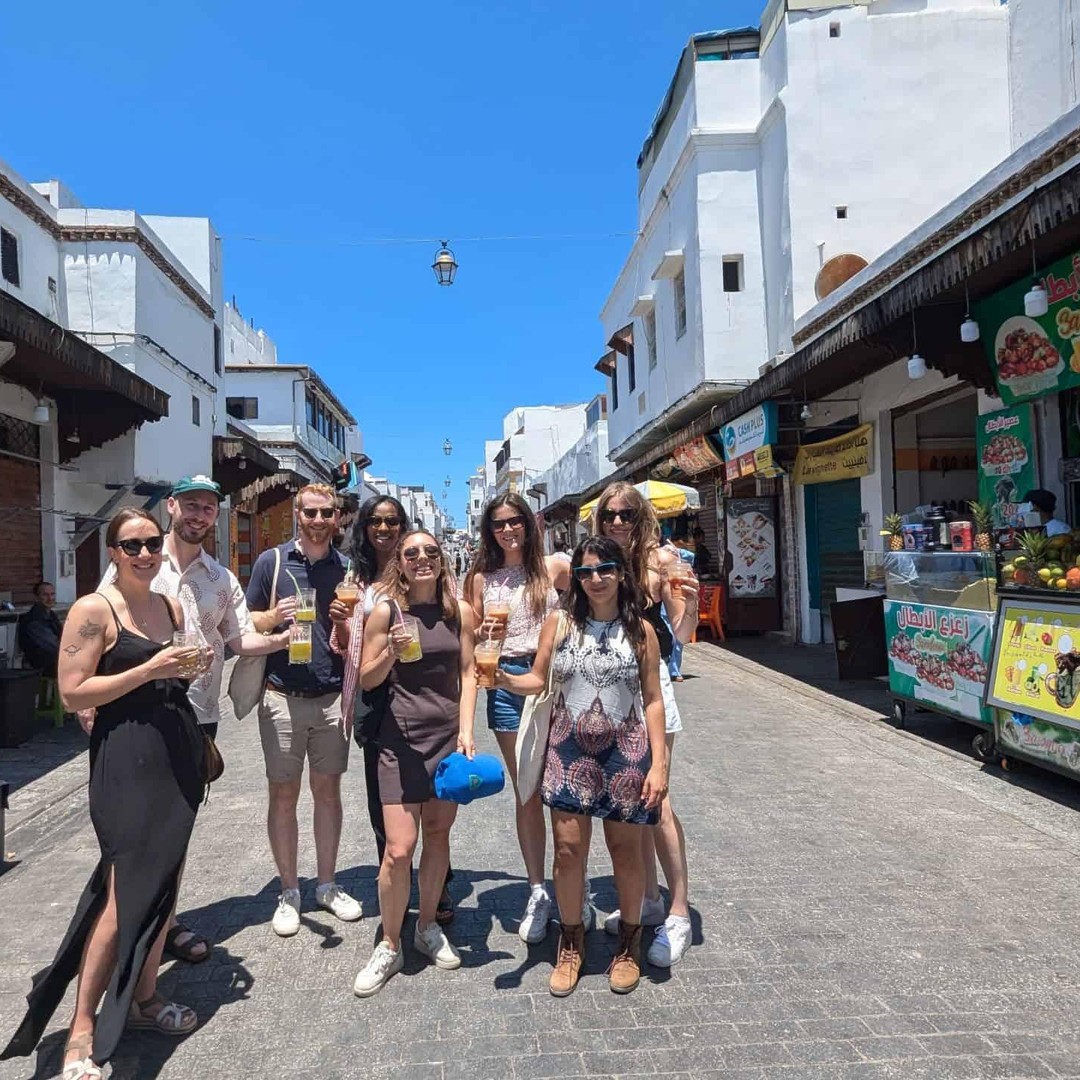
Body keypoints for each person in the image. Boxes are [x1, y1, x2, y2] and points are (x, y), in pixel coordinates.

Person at [1, 509, 208, 1077]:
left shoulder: (167, 605)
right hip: (126, 763)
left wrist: (187, 667)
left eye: (149, 543)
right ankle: (81, 1029)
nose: (143, 553)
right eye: (130, 544)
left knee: (164, 886)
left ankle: (144, 999)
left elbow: (170, 672)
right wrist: (149, 671)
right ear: (113, 552)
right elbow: (72, 693)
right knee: (119, 899)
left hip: (176, 757)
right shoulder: (96, 609)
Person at [97, 475, 291, 964]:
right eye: (191, 505)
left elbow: (240, 639)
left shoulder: (220, 579)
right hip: (133, 714)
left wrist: (285, 641)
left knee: (175, 829)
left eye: (208, 507)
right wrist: (88, 701)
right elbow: (99, 626)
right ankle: (119, 927)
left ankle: (167, 923)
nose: (199, 515)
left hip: (198, 716)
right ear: (171, 507)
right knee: (128, 830)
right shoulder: (137, 559)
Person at [497, 537, 667, 996]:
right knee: (568, 849)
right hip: (567, 746)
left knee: (625, 851)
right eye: (587, 570)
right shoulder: (560, 623)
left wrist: (660, 763)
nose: (596, 579)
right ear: (576, 576)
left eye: (606, 568)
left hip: (627, 751)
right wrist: (503, 677)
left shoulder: (641, 631)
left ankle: (629, 943)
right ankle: (570, 940)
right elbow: (539, 678)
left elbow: (653, 699)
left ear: (622, 574)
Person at [352, 530, 477, 997]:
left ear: (441, 559)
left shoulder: (458, 611)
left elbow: (467, 672)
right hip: (399, 741)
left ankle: (426, 926)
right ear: (399, 564)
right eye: (412, 553)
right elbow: (366, 678)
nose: (422, 559)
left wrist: (466, 730)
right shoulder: (386, 610)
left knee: (439, 836)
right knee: (398, 849)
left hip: (446, 738)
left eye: (430, 552)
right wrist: (389, 649)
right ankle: (389, 941)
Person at [334, 495, 457, 926]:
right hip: (380, 698)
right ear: (365, 527)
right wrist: (339, 622)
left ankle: (437, 892)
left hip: (430, 704)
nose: (383, 528)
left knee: (438, 817)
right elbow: (350, 641)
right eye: (375, 521)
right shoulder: (354, 574)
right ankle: (395, 881)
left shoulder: (438, 586)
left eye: (392, 522)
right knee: (387, 802)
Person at [246, 483, 361, 937]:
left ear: (338, 518)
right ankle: (289, 891)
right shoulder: (271, 563)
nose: (318, 520)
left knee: (328, 793)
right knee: (283, 795)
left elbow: (359, 635)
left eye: (326, 513)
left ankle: (327, 885)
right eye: (310, 512)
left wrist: (344, 624)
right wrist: (273, 618)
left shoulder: (349, 569)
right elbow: (245, 621)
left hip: (333, 698)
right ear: (297, 514)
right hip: (281, 698)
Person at [593, 481, 698, 968]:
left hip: (652, 692)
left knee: (658, 800)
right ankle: (650, 900)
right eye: (610, 514)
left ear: (642, 517)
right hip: (608, 696)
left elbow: (682, 632)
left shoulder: (662, 561)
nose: (617, 522)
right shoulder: (594, 560)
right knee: (629, 799)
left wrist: (690, 602)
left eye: (627, 514)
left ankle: (678, 914)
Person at [464, 493, 571, 943]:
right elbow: (469, 648)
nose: (507, 530)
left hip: (557, 682)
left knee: (566, 790)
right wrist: (464, 727)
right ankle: (537, 890)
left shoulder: (555, 567)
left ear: (530, 524)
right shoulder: (479, 578)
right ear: (488, 530)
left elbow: (596, 598)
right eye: (498, 524)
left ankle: (573, 883)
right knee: (527, 790)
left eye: (515, 521)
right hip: (506, 683)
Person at [17, 580, 62, 676]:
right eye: (45, 595)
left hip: (54, 661)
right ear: (37, 598)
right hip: (41, 667)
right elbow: (55, 646)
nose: (50, 598)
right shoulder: (34, 620)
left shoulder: (51, 615)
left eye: (52, 594)